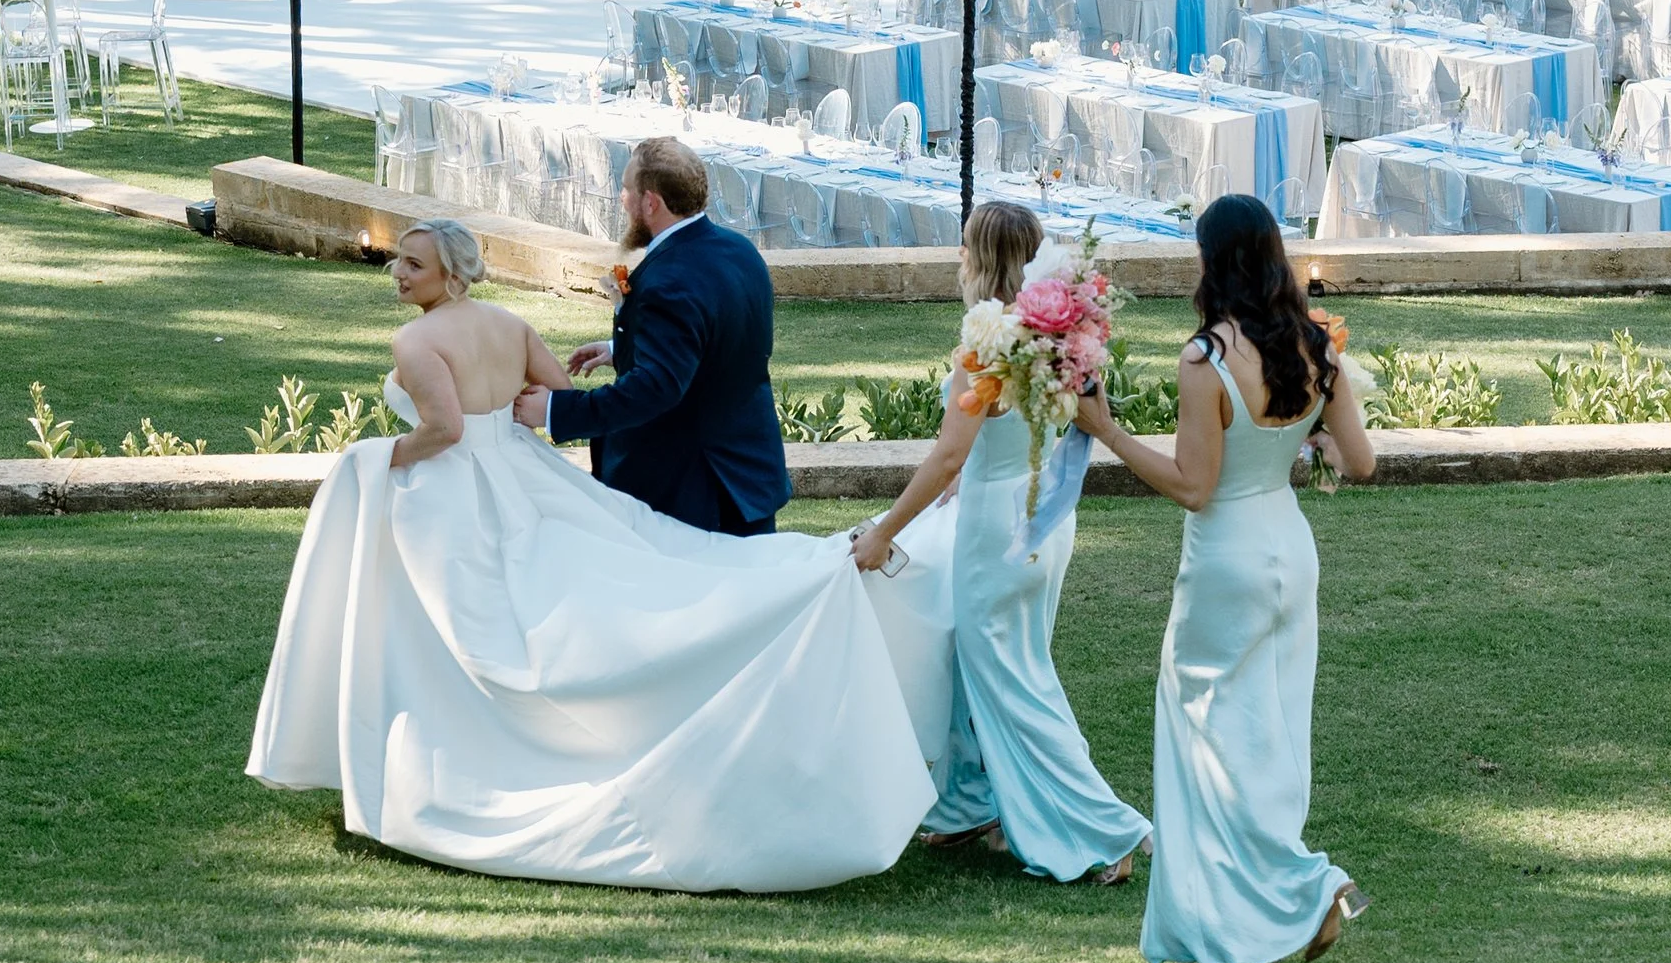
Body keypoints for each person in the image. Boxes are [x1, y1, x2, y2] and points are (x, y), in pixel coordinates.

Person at [247, 218, 932, 892]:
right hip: (522, 479)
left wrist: (372, 459)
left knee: (457, 630)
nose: (399, 272)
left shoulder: (415, 340)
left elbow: (444, 430)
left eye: (414, 264)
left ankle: (456, 767)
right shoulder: (509, 325)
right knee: (610, 576)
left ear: (451, 274)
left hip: (452, 495)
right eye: (399, 261)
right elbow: (563, 397)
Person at [1072, 193, 1375, 963]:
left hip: (1226, 558)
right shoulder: (1317, 348)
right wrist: (1294, 449)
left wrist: (1107, 432)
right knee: (1270, 729)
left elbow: (1192, 485)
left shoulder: (1205, 359)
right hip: (1290, 549)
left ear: (1213, 263)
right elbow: (1361, 463)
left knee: (1204, 731)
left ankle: (1300, 889)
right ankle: (1277, 894)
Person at [848, 198, 1148, 885]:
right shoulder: (1068, 334)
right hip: (1046, 515)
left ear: (981, 258)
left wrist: (883, 532)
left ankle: (1103, 831)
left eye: (963, 247)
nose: (957, 257)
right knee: (981, 662)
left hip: (995, 533)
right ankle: (965, 804)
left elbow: (949, 456)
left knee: (1016, 683)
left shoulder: (987, 339)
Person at [521, 134, 792, 535]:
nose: (622, 199)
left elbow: (656, 389)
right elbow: (721, 341)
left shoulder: (668, 280)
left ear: (652, 203)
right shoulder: (740, 251)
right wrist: (622, 348)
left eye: (627, 189)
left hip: (694, 491)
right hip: (747, 474)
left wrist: (555, 411)